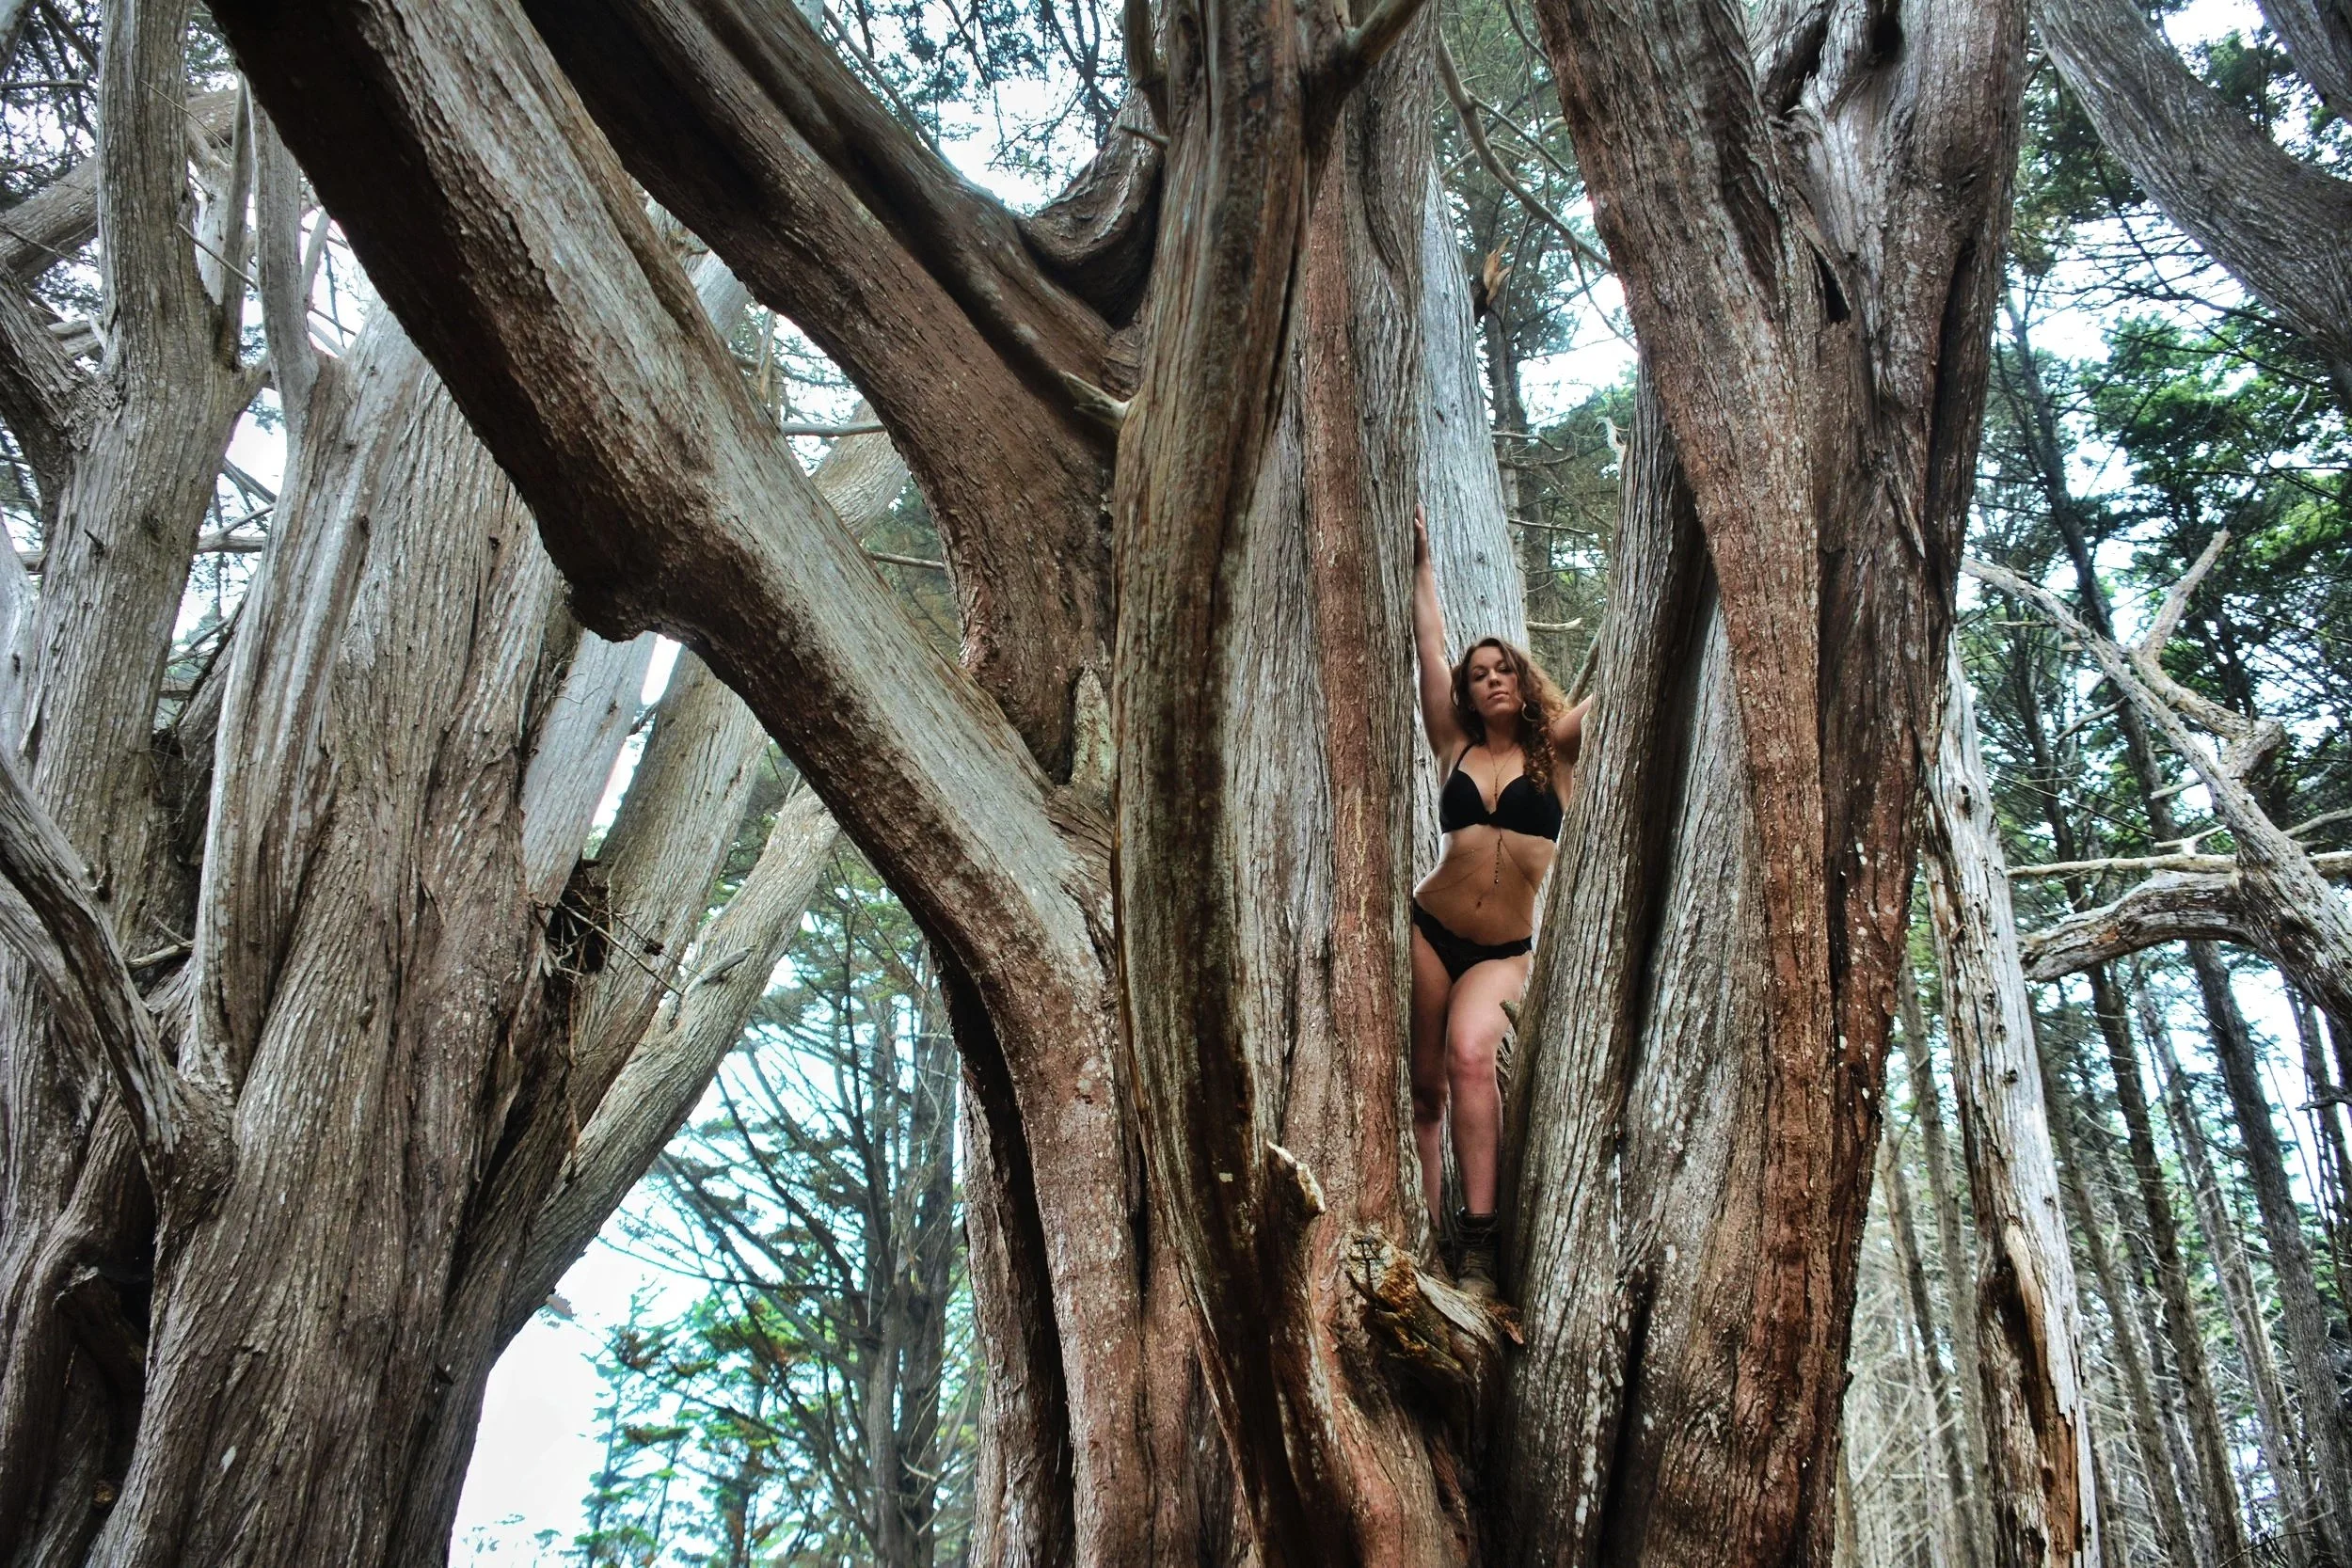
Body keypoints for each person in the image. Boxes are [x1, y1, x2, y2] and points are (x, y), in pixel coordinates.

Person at [1409, 504, 1588, 1299]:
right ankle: (1423, 1232)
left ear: (1522, 678)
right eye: (1479, 675)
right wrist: (1422, 565)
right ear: (1469, 695)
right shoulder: (1455, 745)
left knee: (1472, 1056)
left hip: (1502, 949)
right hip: (1429, 927)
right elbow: (1428, 648)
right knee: (1423, 1088)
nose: (1492, 679)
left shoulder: (1559, 750)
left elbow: (1621, 678)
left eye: (1504, 668)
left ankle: (1479, 1244)